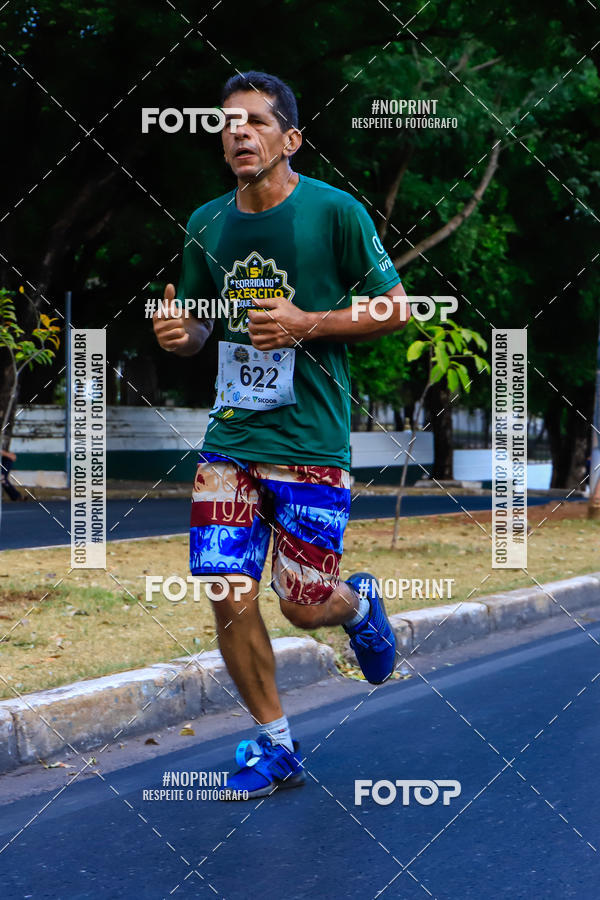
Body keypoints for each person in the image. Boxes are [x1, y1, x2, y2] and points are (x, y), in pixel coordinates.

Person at [153, 71, 411, 799]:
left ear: (290, 138)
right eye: (227, 122)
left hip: (312, 444)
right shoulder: (205, 223)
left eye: (256, 122)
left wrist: (309, 324)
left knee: (303, 603)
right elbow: (198, 328)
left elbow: (396, 309)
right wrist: (179, 335)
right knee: (227, 588)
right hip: (231, 440)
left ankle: (358, 606)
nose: (239, 132)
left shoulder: (334, 213)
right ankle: (276, 746)